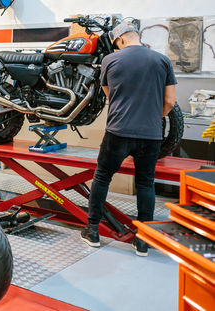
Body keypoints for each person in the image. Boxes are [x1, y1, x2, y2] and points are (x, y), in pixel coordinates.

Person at [80, 22, 177, 256]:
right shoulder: (162, 60)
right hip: (150, 134)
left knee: (102, 177)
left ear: (121, 39)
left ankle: (92, 231)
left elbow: (109, 94)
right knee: (146, 183)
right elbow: (171, 102)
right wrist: (154, 117)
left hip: (118, 131)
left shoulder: (110, 61)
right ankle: (142, 240)